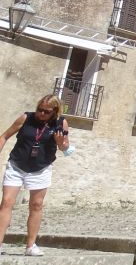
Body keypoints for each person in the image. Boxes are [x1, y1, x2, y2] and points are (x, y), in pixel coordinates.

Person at [0, 95, 71, 257]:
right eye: (40, 109)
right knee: (6, 202)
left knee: (36, 204)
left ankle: (30, 246)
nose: (41, 113)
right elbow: (4, 136)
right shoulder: (26, 118)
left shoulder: (61, 123)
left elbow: (65, 148)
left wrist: (60, 142)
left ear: (55, 111)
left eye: (46, 111)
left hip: (41, 168)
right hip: (17, 165)